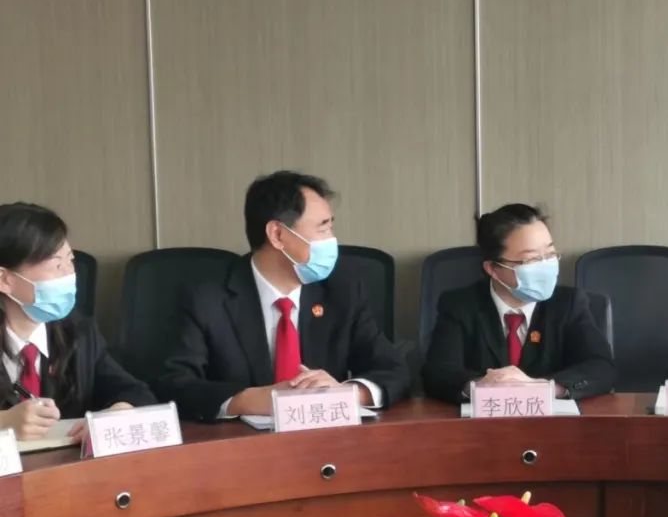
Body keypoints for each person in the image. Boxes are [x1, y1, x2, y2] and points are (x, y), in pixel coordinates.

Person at [156, 171, 410, 421]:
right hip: (241, 442)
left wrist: (346, 394)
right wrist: (247, 400)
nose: (332, 241)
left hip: (328, 437)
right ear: (277, 235)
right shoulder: (206, 298)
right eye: (323, 229)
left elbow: (394, 369)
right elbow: (173, 384)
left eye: (331, 228)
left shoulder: (343, 289)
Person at [422, 203, 615, 403]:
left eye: (550, 254)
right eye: (531, 260)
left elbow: (601, 368)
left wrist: (547, 388)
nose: (545, 265)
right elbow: (437, 373)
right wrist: (479, 386)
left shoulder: (568, 304)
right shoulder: (459, 305)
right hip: (484, 417)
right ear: (493, 269)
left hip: (553, 418)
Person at [0, 203, 155, 440]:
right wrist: (4, 422)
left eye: (70, 261)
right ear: (5, 279)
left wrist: (119, 412)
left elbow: (135, 392)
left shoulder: (78, 331)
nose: (69, 275)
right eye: (56, 265)